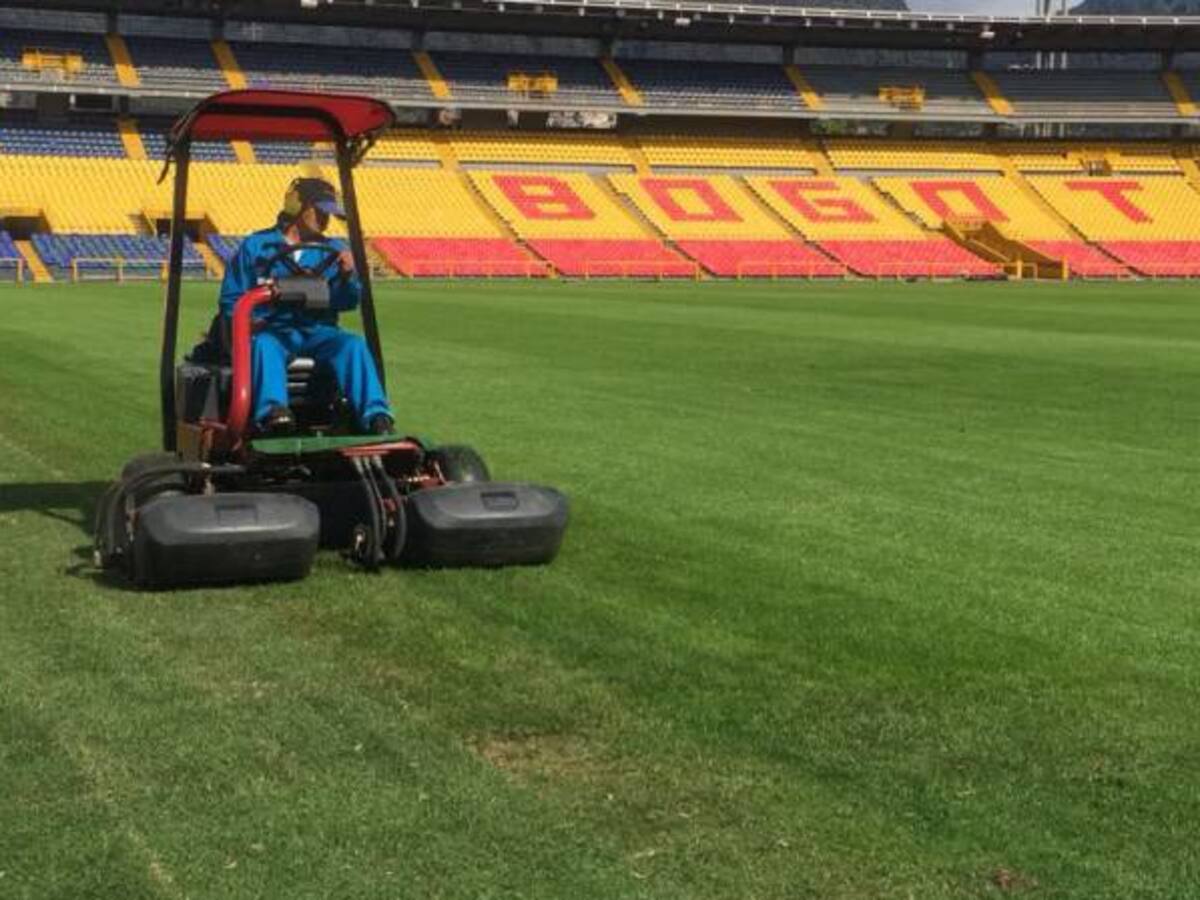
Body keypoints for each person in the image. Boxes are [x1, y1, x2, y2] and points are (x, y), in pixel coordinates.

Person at [218, 177, 394, 435]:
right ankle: (273, 413)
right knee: (264, 345)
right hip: (272, 328)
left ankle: (376, 415)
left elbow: (347, 301)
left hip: (317, 330)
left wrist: (347, 277)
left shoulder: (333, 250)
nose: (325, 219)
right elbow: (231, 299)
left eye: (329, 213)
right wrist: (248, 322)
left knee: (353, 344)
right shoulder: (256, 246)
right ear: (297, 207)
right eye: (319, 211)